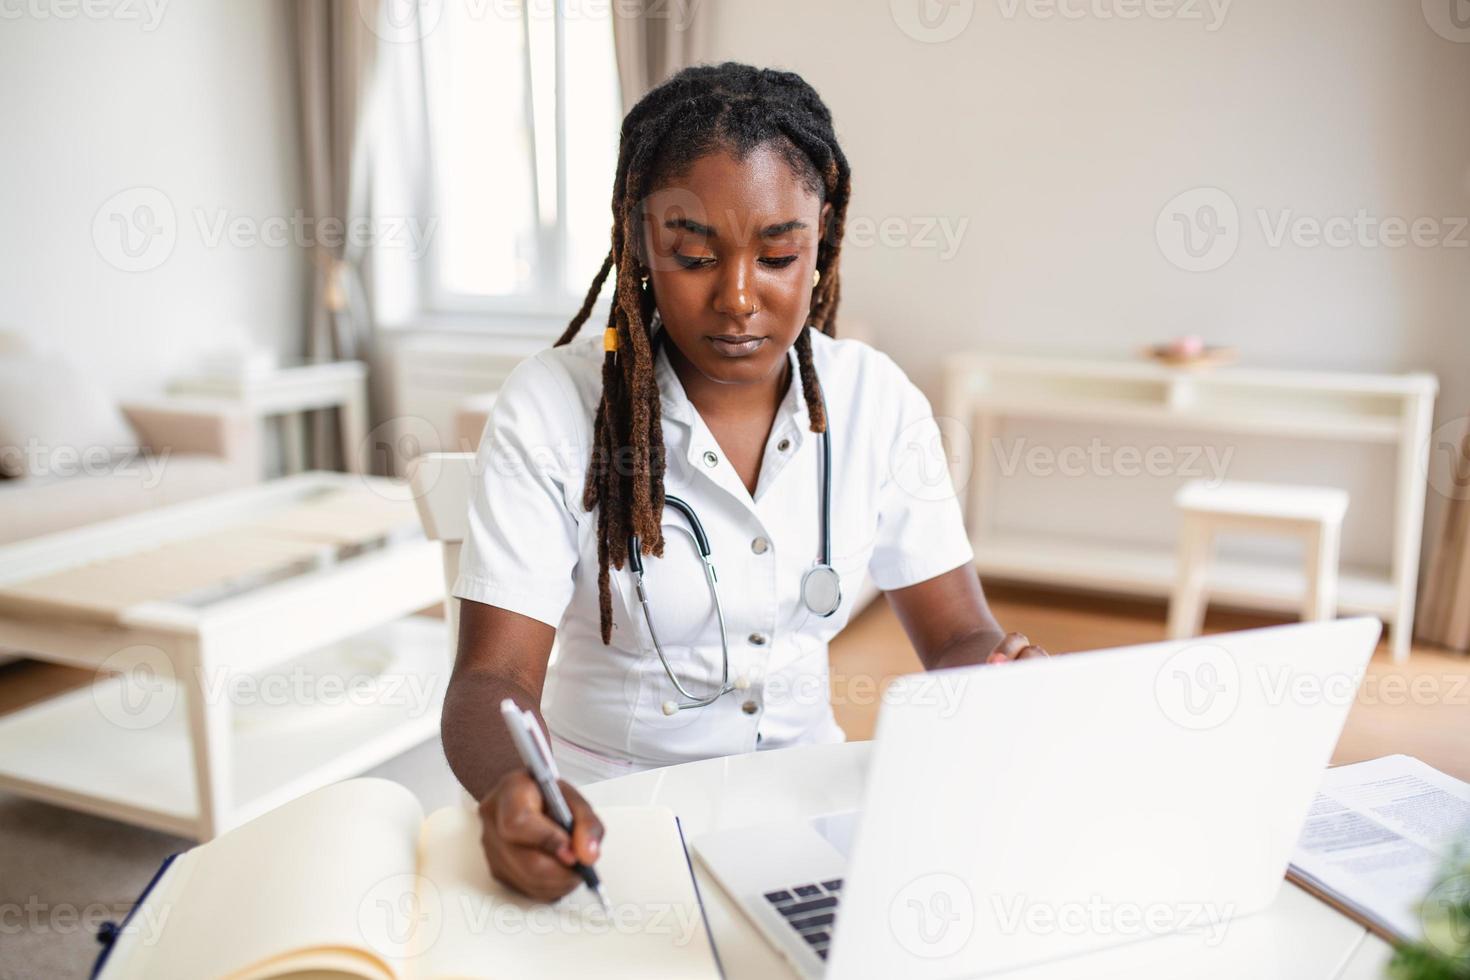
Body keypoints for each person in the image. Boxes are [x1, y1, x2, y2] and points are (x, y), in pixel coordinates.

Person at [441, 62, 1047, 903]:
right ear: (641, 238)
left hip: (811, 814)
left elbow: (956, 639)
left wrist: (1001, 676)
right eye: (693, 254)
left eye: (777, 255)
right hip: (613, 825)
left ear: (821, 240)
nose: (736, 298)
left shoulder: (876, 402)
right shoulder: (553, 407)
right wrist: (519, 792)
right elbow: (491, 682)